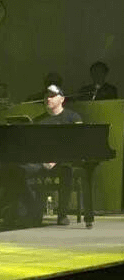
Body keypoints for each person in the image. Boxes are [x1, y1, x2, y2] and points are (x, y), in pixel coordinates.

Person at [21, 84, 83, 226]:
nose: (48, 98)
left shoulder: (72, 118)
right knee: (22, 170)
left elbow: (75, 144)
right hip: (41, 162)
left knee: (67, 171)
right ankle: (34, 212)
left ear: (62, 99)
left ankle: (62, 214)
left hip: (63, 162)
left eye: (52, 95)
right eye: (46, 96)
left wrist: (55, 160)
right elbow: (33, 146)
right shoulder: (38, 121)